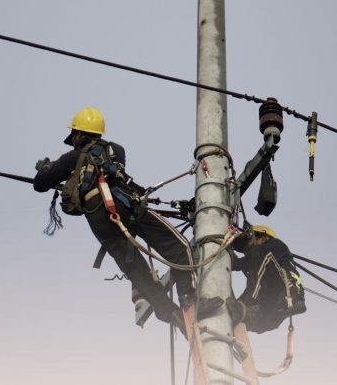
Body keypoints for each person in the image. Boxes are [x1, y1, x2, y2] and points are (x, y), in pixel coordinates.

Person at [33, 108, 221, 333]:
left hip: (100, 223)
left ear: (78, 134)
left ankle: (169, 312)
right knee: (178, 246)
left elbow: (40, 184)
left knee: (137, 272)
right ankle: (189, 299)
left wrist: (46, 168)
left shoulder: (72, 158)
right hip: (126, 207)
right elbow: (118, 179)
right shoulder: (117, 150)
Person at [227, 225, 307, 333]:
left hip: (284, 295)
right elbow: (241, 263)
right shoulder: (264, 265)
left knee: (257, 250)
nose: (247, 252)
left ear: (263, 238)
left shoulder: (275, 244)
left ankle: (250, 304)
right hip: (268, 314)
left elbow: (243, 262)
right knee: (231, 310)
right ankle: (242, 313)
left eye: (248, 245)